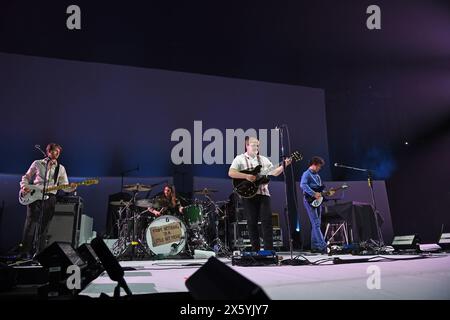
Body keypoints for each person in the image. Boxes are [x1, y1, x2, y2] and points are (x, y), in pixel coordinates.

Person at [228, 136, 291, 251]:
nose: (256, 147)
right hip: (248, 195)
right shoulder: (240, 159)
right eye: (253, 145)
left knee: (267, 221)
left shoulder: (263, 159)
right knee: (251, 222)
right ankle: (255, 250)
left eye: (257, 145)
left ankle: (268, 250)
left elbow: (275, 173)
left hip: (264, 194)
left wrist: (284, 165)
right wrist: (246, 176)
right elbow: (231, 173)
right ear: (247, 145)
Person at [19, 143, 76, 257]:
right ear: (48, 152)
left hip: (50, 198)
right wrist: (24, 186)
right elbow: (27, 176)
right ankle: (24, 252)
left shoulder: (61, 168)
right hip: (35, 195)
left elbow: (64, 185)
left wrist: (71, 187)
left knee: (44, 227)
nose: (56, 154)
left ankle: (40, 253)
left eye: (58, 152)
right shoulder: (37, 163)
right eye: (54, 151)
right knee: (31, 223)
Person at [300, 156, 334, 253]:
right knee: (316, 223)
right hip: (309, 201)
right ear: (314, 165)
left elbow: (320, 190)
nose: (320, 168)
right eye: (319, 166)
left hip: (317, 201)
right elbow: (303, 185)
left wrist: (327, 193)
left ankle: (314, 246)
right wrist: (313, 193)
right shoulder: (306, 174)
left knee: (316, 224)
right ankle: (323, 246)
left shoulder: (317, 176)